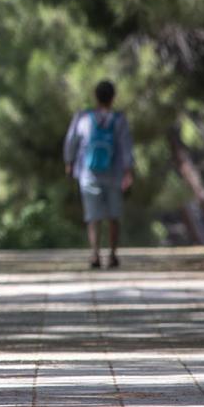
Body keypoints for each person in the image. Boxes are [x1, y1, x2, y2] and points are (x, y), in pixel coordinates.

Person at [63, 80, 134, 269]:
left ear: (95, 96)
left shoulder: (83, 118)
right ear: (113, 97)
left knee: (93, 216)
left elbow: (71, 141)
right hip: (114, 173)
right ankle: (112, 254)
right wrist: (128, 170)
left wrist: (69, 162)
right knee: (114, 215)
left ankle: (94, 253)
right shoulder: (119, 120)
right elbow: (126, 146)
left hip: (88, 173)